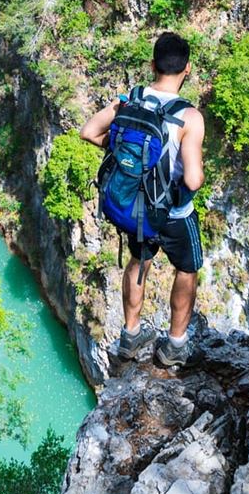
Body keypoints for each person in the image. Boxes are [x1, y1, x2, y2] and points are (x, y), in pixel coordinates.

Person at [79, 31, 205, 366]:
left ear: (153, 64)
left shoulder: (130, 99)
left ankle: (131, 335)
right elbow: (193, 178)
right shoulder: (189, 117)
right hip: (175, 214)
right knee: (187, 269)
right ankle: (175, 344)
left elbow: (88, 131)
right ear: (187, 69)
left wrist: (125, 157)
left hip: (136, 210)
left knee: (139, 263)